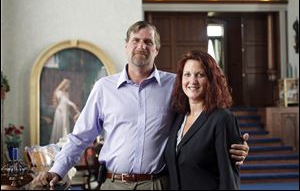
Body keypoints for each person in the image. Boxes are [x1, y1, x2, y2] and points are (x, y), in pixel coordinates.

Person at [33, 21, 249, 190]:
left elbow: (201, 121)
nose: (141, 46)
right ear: (126, 46)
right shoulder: (103, 88)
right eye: (136, 40)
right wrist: (58, 170)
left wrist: (235, 148)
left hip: (157, 184)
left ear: (157, 49)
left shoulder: (176, 85)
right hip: (113, 183)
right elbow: (80, 137)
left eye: (148, 42)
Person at [165, 50, 242, 190]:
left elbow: (228, 178)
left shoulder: (222, 119)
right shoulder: (179, 117)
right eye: (187, 74)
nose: (192, 81)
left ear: (211, 80)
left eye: (200, 75)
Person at [50, 78, 80, 144]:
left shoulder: (66, 93)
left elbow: (67, 102)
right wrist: (73, 104)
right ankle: (58, 142)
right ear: (64, 84)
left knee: (65, 126)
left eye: (69, 85)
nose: (68, 86)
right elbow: (65, 101)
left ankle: (64, 142)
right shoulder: (58, 92)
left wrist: (72, 107)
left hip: (65, 111)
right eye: (67, 85)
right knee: (61, 126)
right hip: (60, 111)